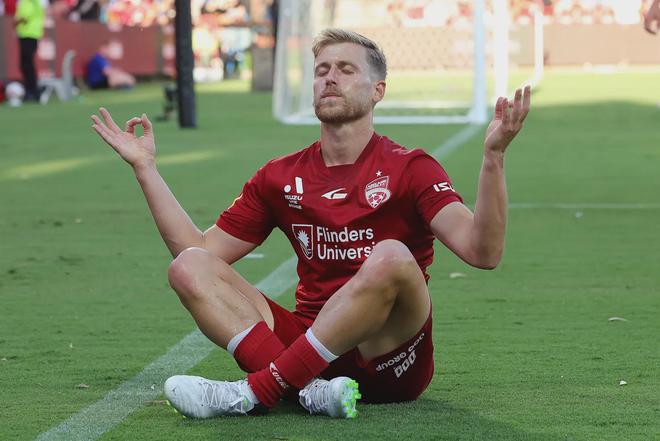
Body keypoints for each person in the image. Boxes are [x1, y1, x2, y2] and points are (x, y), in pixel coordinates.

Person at [90, 28, 531, 419]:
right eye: (322, 70)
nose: (330, 78)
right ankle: (308, 390)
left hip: (388, 355)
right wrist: (146, 169)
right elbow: (199, 253)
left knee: (392, 256)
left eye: (345, 69)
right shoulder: (280, 176)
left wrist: (493, 157)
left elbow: (482, 252)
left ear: (378, 90)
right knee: (187, 266)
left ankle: (257, 392)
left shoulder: (411, 168)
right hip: (311, 350)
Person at [14, 0, 45, 102]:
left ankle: (32, 91)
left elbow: (24, 16)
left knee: (26, 64)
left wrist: (15, 23)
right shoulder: (35, 2)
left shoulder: (28, 2)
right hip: (32, 34)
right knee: (27, 64)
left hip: (27, 34)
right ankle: (32, 90)